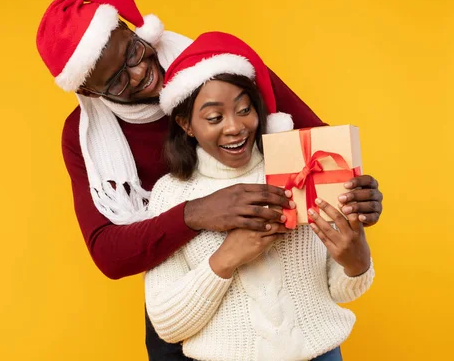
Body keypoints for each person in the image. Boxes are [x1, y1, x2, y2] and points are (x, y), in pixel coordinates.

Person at [35, 0, 383, 360]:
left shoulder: (221, 67)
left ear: (132, 30)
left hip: (296, 304)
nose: (137, 74)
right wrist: (197, 213)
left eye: (133, 51)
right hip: (192, 297)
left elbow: (321, 155)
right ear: (89, 91)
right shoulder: (86, 138)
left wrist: (355, 199)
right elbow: (109, 252)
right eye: (117, 80)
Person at [145, 31, 374, 361]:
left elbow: (342, 289)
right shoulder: (171, 194)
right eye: (214, 117)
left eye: (244, 109)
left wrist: (356, 259)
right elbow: (168, 325)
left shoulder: (299, 167)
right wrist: (229, 256)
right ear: (187, 125)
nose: (235, 127)